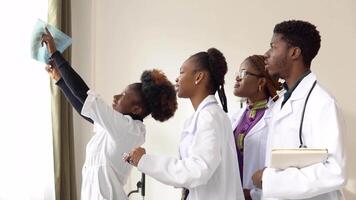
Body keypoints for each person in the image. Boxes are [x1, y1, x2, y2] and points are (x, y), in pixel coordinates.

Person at [41, 28, 178, 200]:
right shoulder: (116, 126)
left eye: (123, 96)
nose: (116, 97)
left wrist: (55, 54)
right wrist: (60, 80)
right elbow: (85, 109)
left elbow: (83, 94)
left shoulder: (129, 130)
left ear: (136, 109)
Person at [124, 48, 244, 200]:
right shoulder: (204, 116)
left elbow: (197, 171)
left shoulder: (209, 117)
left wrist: (145, 161)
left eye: (181, 72)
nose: (177, 79)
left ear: (199, 77)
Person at [252, 20, 346, 200]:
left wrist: (268, 179)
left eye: (273, 47)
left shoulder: (322, 103)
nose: (266, 54)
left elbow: (335, 171)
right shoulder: (282, 102)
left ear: (294, 52)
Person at [230, 55, 281, 200]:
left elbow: (278, 167)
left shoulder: (277, 117)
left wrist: (254, 194)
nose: (237, 78)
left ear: (261, 81)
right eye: (237, 74)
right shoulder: (235, 117)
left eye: (243, 74)